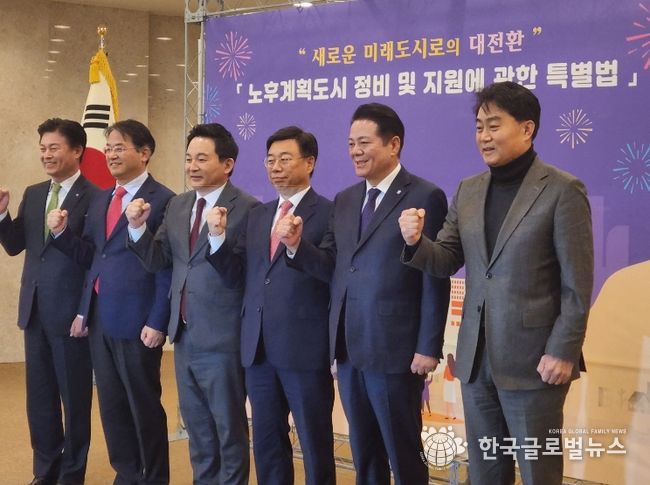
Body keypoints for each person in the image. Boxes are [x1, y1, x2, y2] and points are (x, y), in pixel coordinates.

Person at [399, 81, 594, 485]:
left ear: (527, 128)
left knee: (539, 471)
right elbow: (446, 258)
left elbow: (577, 284)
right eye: (478, 127)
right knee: (486, 470)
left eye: (494, 125)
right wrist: (416, 242)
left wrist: (563, 350)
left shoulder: (563, 190)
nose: (484, 137)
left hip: (536, 362)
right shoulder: (468, 190)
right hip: (475, 361)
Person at [278, 103, 450, 484]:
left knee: (403, 452)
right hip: (349, 348)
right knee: (364, 451)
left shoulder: (425, 195)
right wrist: (296, 246)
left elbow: (434, 275)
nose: (355, 151)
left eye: (364, 142)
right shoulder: (346, 199)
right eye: (350, 143)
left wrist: (428, 346)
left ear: (393, 144)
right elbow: (332, 266)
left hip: (396, 351)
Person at [125, 123, 257, 485]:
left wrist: (218, 237)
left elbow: (241, 275)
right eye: (188, 159)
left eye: (201, 158)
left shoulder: (249, 209)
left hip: (224, 337)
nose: (192, 166)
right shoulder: (179, 205)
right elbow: (159, 260)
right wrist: (137, 228)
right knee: (197, 429)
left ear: (227, 164)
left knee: (228, 430)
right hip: (183, 335)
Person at [206, 126, 335, 485]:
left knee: (314, 444)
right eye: (270, 160)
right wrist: (216, 238)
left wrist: (296, 246)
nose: (275, 167)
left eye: (285, 159)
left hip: (304, 350)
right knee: (266, 444)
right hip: (259, 350)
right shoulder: (258, 215)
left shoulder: (329, 212)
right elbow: (237, 275)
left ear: (309, 162)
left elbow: (331, 270)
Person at [47, 119, 174, 485]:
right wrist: (61, 234)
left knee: (143, 405)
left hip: (139, 321)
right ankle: (127, 474)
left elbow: (165, 267)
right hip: (101, 318)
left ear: (145, 153)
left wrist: (158, 320)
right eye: (108, 148)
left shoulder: (164, 200)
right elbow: (94, 258)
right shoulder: (103, 198)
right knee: (112, 406)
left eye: (120, 147)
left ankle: (153, 478)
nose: (111, 154)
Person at [0, 118, 97, 485]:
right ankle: (45, 472)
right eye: (42, 148)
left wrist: (84, 311)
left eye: (54, 148)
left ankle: (71, 475)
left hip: (71, 316)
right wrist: (1, 214)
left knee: (74, 401)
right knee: (40, 401)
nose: (46, 155)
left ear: (77, 150)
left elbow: (92, 258)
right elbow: (15, 245)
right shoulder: (35, 192)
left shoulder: (96, 197)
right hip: (35, 311)